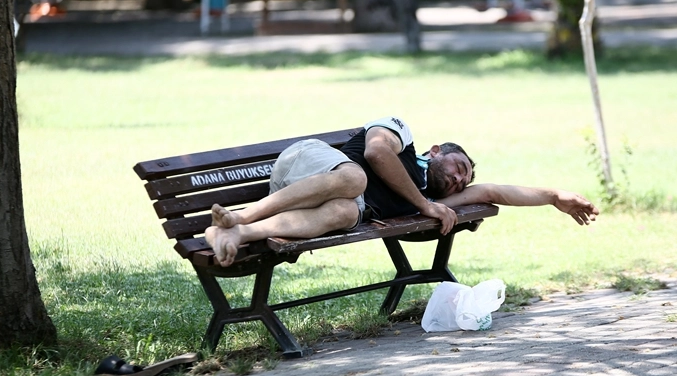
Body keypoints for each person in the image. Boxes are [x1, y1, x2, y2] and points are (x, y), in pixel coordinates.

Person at [205, 117, 599, 267]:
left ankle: (238, 231)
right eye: (459, 167)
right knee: (356, 179)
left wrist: (554, 197)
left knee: (347, 213)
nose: (459, 181)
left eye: (464, 182)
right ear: (436, 151)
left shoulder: (437, 197)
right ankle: (242, 214)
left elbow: (494, 191)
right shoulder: (400, 135)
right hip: (305, 165)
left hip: (323, 202)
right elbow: (375, 153)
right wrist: (424, 204)